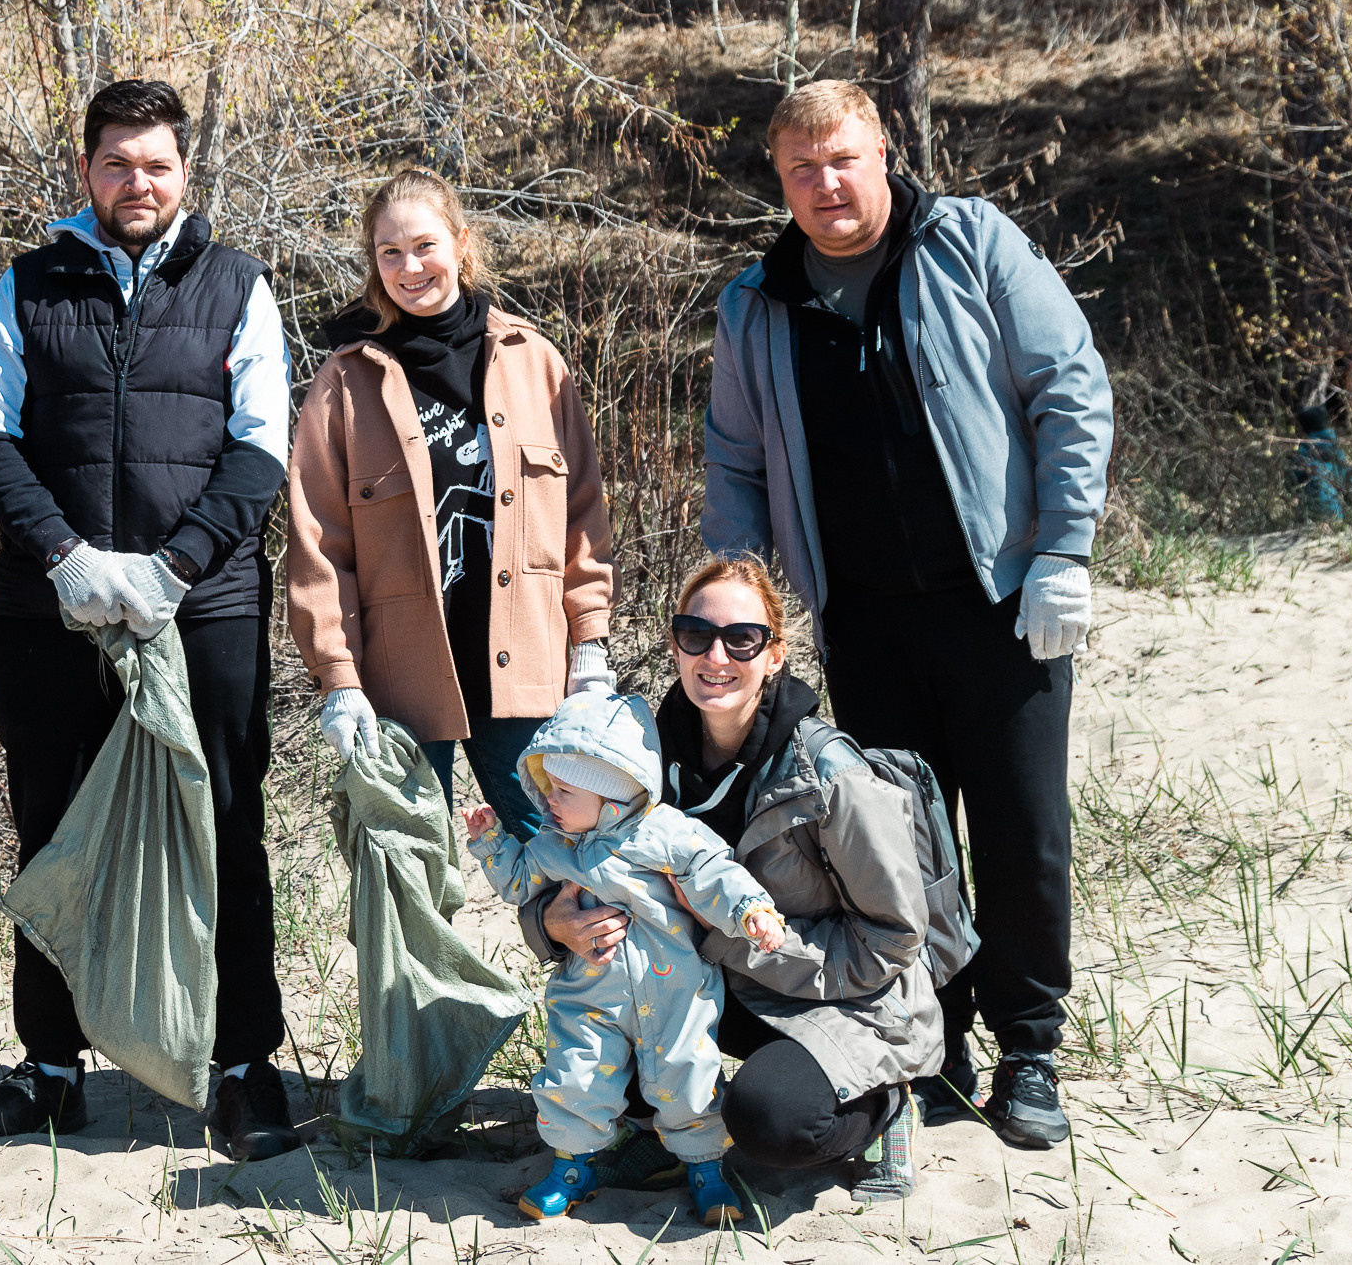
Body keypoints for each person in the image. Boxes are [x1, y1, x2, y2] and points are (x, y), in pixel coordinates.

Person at [702, 79, 1113, 1148]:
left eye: (842, 159)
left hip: (1000, 604)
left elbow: (1067, 384)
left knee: (1021, 831)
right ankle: (938, 1040)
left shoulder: (966, 244)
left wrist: (1062, 549)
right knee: (902, 848)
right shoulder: (757, 303)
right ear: (780, 180)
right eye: (801, 168)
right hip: (863, 622)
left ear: (883, 152)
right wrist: (747, 598)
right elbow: (736, 460)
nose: (825, 184)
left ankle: (1029, 1049)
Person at [0, 78, 298, 1160]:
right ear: (85, 168)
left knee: (225, 830)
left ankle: (244, 1066)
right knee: (51, 834)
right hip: (51, 610)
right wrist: (66, 555)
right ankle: (51, 1065)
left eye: (155, 163)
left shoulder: (238, 284)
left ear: (184, 171)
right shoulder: (27, 284)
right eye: (116, 162)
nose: (135, 181)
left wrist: (173, 567)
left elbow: (260, 449)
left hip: (206, 610)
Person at [526, 558, 943, 1199]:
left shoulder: (830, 774)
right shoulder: (636, 753)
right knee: (602, 1060)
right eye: (696, 634)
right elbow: (564, 854)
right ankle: (659, 1134)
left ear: (774, 655)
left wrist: (731, 938)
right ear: (675, 644)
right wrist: (551, 924)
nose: (715, 655)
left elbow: (891, 941)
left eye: (741, 638)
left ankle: (887, 1107)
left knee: (772, 1121)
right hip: (690, 985)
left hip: (841, 998)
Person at [285, 169, 616, 839]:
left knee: (569, 867)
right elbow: (317, 543)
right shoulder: (345, 382)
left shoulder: (534, 362)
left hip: (526, 674)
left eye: (425, 245)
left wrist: (590, 646)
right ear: (374, 262)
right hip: (398, 689)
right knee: (407, 885)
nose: (410, 267)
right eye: (390, 252)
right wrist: (339, 678)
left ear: (463, 243)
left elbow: (580, 512)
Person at [461, 692, 780, 1226]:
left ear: (612, 796)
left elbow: (711, 871)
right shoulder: (553, 843)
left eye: (563, 790)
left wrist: (751, 908)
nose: (549, 800)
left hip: (675, 992)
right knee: (575, 1076)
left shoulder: (666, 832)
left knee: (688, 1077)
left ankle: (706, 1170)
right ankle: (572, 1165)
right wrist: (493, 843)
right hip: (589, 995)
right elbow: (520, 884)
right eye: (548, 788)